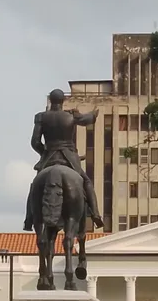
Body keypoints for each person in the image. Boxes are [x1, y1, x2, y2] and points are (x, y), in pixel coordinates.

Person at [23, 88, 103, 230]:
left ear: (51, 100)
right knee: (86, 181)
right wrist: (93, 114)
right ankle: (96, 214)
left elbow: (35, 142)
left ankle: (29, 219)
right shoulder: (71, 116)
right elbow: (87, 119)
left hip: (49, 157)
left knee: (35, 185)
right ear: (63, 101)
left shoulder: (41, 117)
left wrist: (45, 153)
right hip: (69, 157)